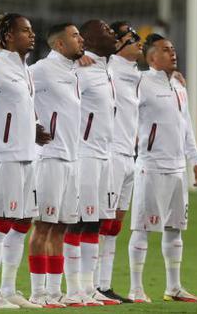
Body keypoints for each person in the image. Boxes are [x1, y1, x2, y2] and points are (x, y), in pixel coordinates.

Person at [128, 33, 197, 303]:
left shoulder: (179, 87)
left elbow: (186, 126)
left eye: (173, 49)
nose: (173, 53)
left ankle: (174, 287)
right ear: (151, 58)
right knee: (142, 229)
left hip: (176, 169)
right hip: (151, 167)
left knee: (175, 229)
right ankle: (136, 289)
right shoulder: (140, 81)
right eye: (165, 50)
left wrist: (195, 159)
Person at [0, 12, 50, 309]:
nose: (31, 35)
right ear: (8, 36)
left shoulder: (24, 68)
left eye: (32, 30)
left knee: (22, 222)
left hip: (27, 155)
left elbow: (18, 105)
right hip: (5, 156)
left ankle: (9, 288)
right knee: (1, 223)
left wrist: (31, 128)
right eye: (25, 30)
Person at [27, 22, 84, 308]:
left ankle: (54, 290)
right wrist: (32, 125)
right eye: (75, 36)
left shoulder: (73, 72)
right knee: (43, 227)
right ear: (59, 44)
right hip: (50, 158)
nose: (80, 39)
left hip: (71, 159)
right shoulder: (41, 70)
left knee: (61, 227)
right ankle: (38, 293)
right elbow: (14, 95)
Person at [67, 19, 121, 306]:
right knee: (78, 222)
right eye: (106, 31)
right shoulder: (82, 70)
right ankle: (73, 287)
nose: (112, 35)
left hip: (104, 156)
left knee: (95, 223)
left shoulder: (105, 68)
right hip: (84, 154)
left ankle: (88, 287)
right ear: (88, 39)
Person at [93, 21, 142, 303]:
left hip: (128, 157)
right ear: (116, 44)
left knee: (114, 226)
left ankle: (105, 284)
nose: (137, 41)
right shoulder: (106, 70)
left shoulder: (138, 75)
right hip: (109, 155)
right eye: (130, 37)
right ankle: (88, 284)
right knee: (98, 222)